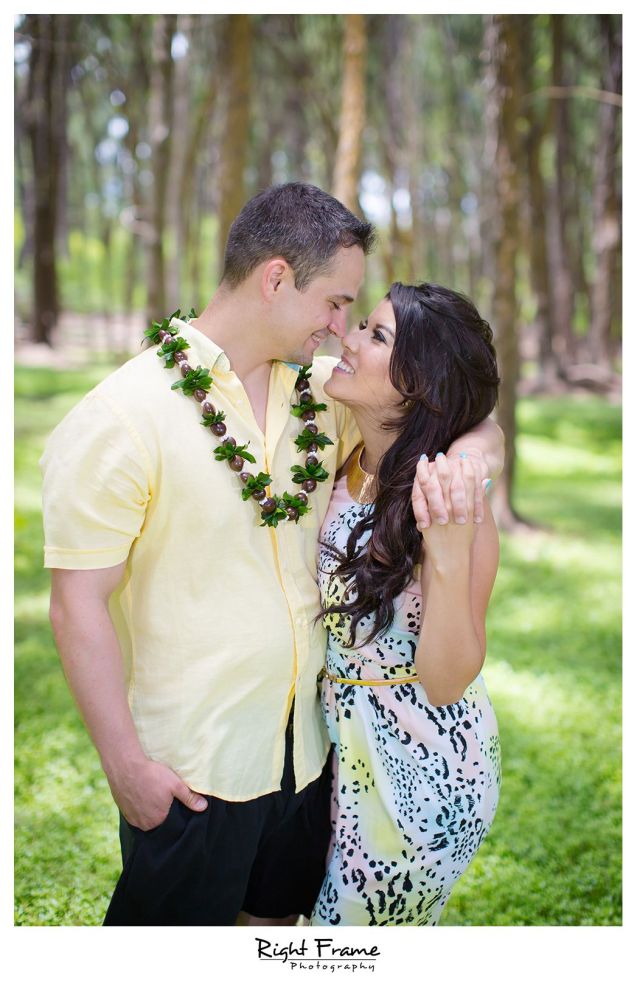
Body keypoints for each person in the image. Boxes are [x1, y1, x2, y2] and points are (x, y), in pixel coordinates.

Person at [40, 183, 503, 927]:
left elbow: (449, 406)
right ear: (276, 278)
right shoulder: (123, 418)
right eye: (335, 302)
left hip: (312, 764)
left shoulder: (322, 394)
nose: (341, 327)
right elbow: (75, 603)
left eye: (356, 315)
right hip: (200, 770)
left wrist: (475, 458)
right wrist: (125, 765)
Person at [309, 282, 501, 926]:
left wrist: (446, 550)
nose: (348, 337)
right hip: (337, 757)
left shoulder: (449, 500)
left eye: (376, 335)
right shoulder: (347, 453)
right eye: (360, 324)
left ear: (420, 385)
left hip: (423, 771)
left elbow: (448, 680)